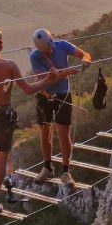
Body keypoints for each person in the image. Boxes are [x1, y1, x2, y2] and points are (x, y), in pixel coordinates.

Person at [0, 28, 76, 215]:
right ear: (1, 46)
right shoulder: (10, 65)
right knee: (1, 157)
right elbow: (29, 90)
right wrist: (49, 79)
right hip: (3, 116)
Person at [29, 28, 92, 186]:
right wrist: (67, 72)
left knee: (64, 133)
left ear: (52, 42)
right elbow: (46, 79)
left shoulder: (62, 45)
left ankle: (66, 171)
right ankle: (48, 167)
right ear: (39, 48)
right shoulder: (35, 57)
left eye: (51, 48)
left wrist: (84, 59)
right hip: (45, 95)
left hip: (63, 94)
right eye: (46, 50)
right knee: (45, 133)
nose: (50, 51)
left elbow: (85, 54)